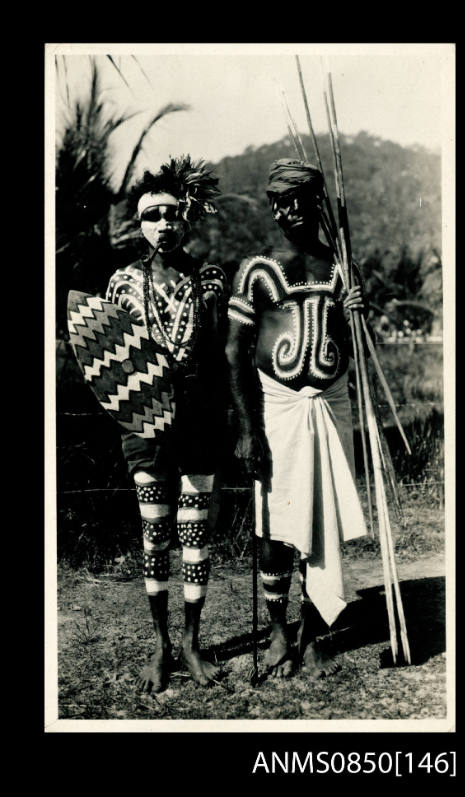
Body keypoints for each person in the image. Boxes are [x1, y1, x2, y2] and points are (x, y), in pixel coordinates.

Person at [225, 158, 369, 678]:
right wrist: (247, 429)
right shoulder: (258, 269)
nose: (285, 210)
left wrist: (357, 310)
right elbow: (234, 352)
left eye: (296, 199)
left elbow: (351, 349)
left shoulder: (342, 269)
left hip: (331, 404)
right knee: (274, 525)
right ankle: (280, 633)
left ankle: (313, 633)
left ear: (316, 203)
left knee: (320, 516)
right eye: (277, 201)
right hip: (277, 409)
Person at [106, 156, 228, 691]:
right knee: (155, 536)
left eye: (173, 215)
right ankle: (159, 644)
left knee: (195, 535)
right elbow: (109, 362)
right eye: (153, 215)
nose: (164, 225)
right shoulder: (122, 283)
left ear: (187, 219)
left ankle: (192, 642)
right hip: (144, 425)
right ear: (141, 223)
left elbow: (227, 353)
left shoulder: (210, 281)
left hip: (199, 423)